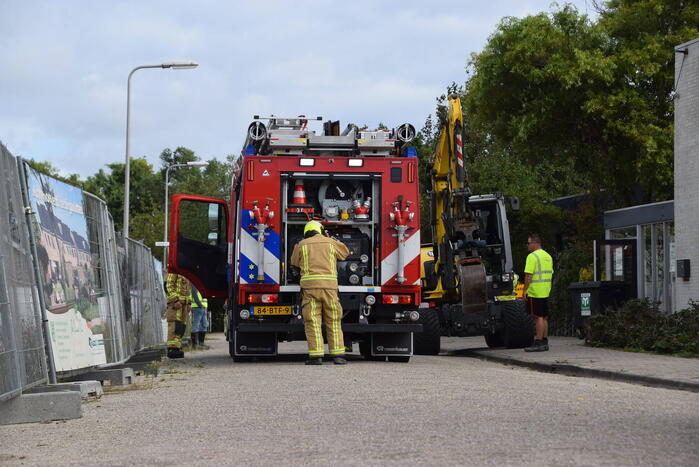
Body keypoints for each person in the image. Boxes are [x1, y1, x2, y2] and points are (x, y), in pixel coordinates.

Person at [290, 220, 350, 365]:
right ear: (321, 230)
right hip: (329, 288)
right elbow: (345, 253)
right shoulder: (330, 242)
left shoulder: (301, 245)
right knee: (334, 320)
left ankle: (316, 356)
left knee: (312, 321)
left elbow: (294, 262)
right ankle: (338, 355)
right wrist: (331, 237)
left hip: (310, 288)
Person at [523, 234, 554, 352]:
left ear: (535, 243)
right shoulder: (548, 256)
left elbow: (528, 276)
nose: (527, 245)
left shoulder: (532, 257)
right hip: (546, 290)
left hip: (535, 291)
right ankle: (545, 341)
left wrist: (525, 290)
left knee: (538, 317)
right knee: (544, 317)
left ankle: (538, 342)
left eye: (528, 243)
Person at [165, 273, 192, 358]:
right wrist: (175, 300)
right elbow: (168, 285)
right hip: (176, 305)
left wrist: (189, 303)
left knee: (181, 327)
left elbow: (188, 289)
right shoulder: (173, 271)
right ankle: (172, 349)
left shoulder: (184, 271)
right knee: (174, 325)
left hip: (184, 304)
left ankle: (177, 347)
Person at [190, 284, 210, 350]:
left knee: (204, 325)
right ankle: (194, 345)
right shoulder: (195, 284)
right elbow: (194, 294)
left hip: (203, 307)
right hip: (197, 307)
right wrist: (199, 304)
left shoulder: (201, 284)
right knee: (196, 325)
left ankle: (201, 343)